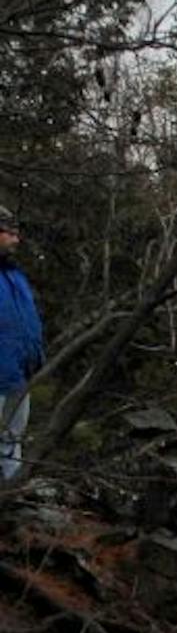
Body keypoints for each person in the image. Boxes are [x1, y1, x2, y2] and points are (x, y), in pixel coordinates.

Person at [0, 205, 43, 484]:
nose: (17, 239)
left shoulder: (15, 277)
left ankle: (11, 497)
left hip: (19, 374)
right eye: (10, 233)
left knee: (12, 439)